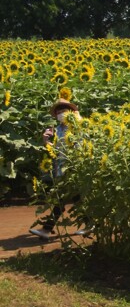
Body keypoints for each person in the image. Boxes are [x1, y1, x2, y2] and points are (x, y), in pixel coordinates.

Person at [30, 96, 86, 240]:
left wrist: (77, 118)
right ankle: (91, 225)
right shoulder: (59, 130)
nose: (61, 114)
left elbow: (80, 144)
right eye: (58, 112)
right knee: (73, 198)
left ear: (71, 112)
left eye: (64, 111)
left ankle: (47, 229)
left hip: (74, 167)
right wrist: (46, 141)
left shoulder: (76, 126)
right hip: (62, 169)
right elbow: (57, 151)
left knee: (62, 200)